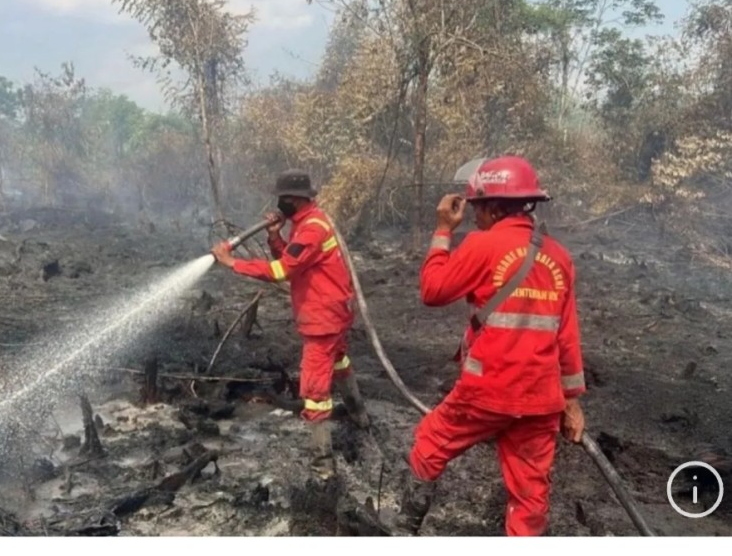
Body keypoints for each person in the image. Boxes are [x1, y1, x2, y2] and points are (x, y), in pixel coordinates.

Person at [396, 154, 587, 536]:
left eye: (478, 208)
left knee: (429, 443)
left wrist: (442, 231)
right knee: (530, 496)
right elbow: (567, 336)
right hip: (541, 399)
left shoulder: (481, 245)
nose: (475, 216)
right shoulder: (560, 257)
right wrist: (571, 401)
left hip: (487, 391)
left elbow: (433, 291)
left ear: (494, 207)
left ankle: (403, 529)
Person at [211, 169, 370, 480]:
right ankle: (359, 415)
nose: (278, 204)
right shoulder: (306, 223)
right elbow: (294, 262)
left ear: (296, 199)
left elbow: (282, 271)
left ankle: (323, 468)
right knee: (339, 360)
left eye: (282, 198)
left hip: (323, 318)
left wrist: (232, 263)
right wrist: (274, 236)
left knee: (314, 393)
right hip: (332, 311)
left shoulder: (312, 229)